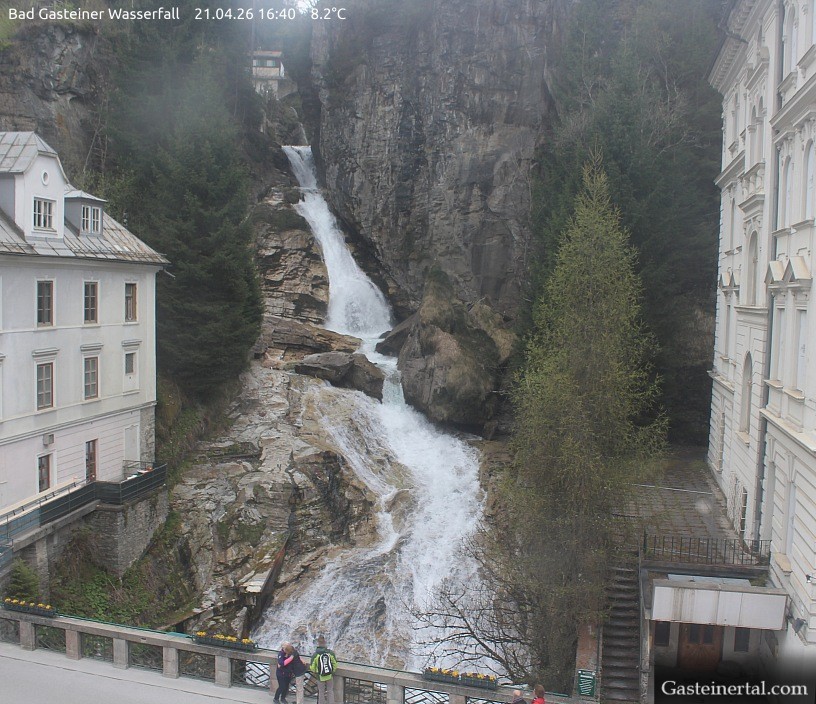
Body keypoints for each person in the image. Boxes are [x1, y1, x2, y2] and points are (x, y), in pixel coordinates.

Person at [309, 635, 338, 704]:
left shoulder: (315, 654)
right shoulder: (330, 653)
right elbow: (335, 664)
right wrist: (332, 671)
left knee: (321, 692)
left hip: (320, 676)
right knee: (330, 691)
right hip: (329, 675)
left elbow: (312, 668)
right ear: (325, 643)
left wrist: (317, 671)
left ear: (318, 643)